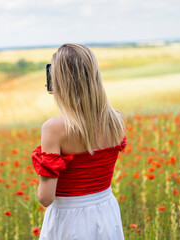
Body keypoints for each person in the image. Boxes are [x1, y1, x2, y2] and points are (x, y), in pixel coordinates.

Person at [31, 43, 127, 240]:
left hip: (69, 220)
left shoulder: (53, 129)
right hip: (107, 212)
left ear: (59, 82)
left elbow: (45, 198)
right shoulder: (116, 120)